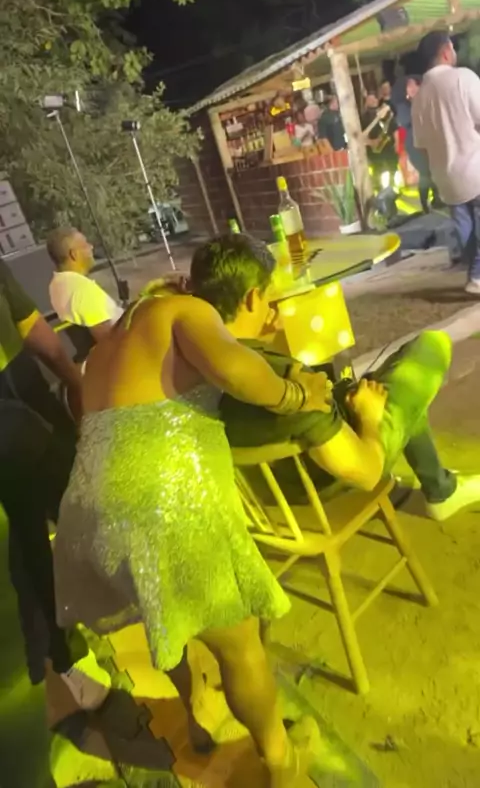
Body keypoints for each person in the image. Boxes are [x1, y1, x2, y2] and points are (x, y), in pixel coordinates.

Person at [52, 254, 333, 786]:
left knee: (166, 621)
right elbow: (236, 370)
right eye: (268, 303)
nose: (270, 315)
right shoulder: (185, 311)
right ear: (251, 298)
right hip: (163, 513)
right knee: (241, 647)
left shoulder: (110, 345)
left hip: (91, 519)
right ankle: (281, 763)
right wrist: (300, 394)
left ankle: (196, 718)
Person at [189, 234, 480, 523]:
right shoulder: (289, 384)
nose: (273, 305)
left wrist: (261, 339)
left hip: (266, 489)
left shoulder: (193, 360)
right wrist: (368, 417)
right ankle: (442, 492)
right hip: (319, 480)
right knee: (430, 346)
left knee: (377, 386)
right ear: (253, 299)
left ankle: (440, 488)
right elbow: (367, 473)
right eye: (269, 296)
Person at [0, 258, 110, 708]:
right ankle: (66, 655)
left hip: (26, 395)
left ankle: (115, 604)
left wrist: (73, 380)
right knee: (29, 548)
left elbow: (28, 324)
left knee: (83, 499)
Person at [412, 30, 480, 294]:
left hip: (446, 176)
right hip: (474, 167)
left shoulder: (419, 97)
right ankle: (477, 275)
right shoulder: (463, 78)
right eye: (452, 48)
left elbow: (421, 146)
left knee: (466, 228)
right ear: (445, 52)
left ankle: (475, 273)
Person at [47, 226, 123, 339]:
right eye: (85, 244)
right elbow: (109, 338)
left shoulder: (57, 284)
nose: (91, 247)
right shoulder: (82, 290)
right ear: (74, 254)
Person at [395, 75, 443, 213]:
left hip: (430, 142)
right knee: (424, 172)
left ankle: (436, 198)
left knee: (433, 170)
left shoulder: (427, 102)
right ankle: (424, 203)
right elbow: (405, 122)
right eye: (409, 86)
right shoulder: (403, 106)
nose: (412, 88)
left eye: (415, 85)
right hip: (415, 144)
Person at [361, 92, 398, 188]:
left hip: (389, 148)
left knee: (392, 168)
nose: (374, 101)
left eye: (375, 98)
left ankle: (392, 187)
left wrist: (397, 143)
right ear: (366, 102)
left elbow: (394, 128)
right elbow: (360, 137)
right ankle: (378, 188)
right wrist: (371, 142)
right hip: (375, 151)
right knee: (377, 171)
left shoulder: (385, 113)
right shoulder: (362, 118)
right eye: (370, 99)